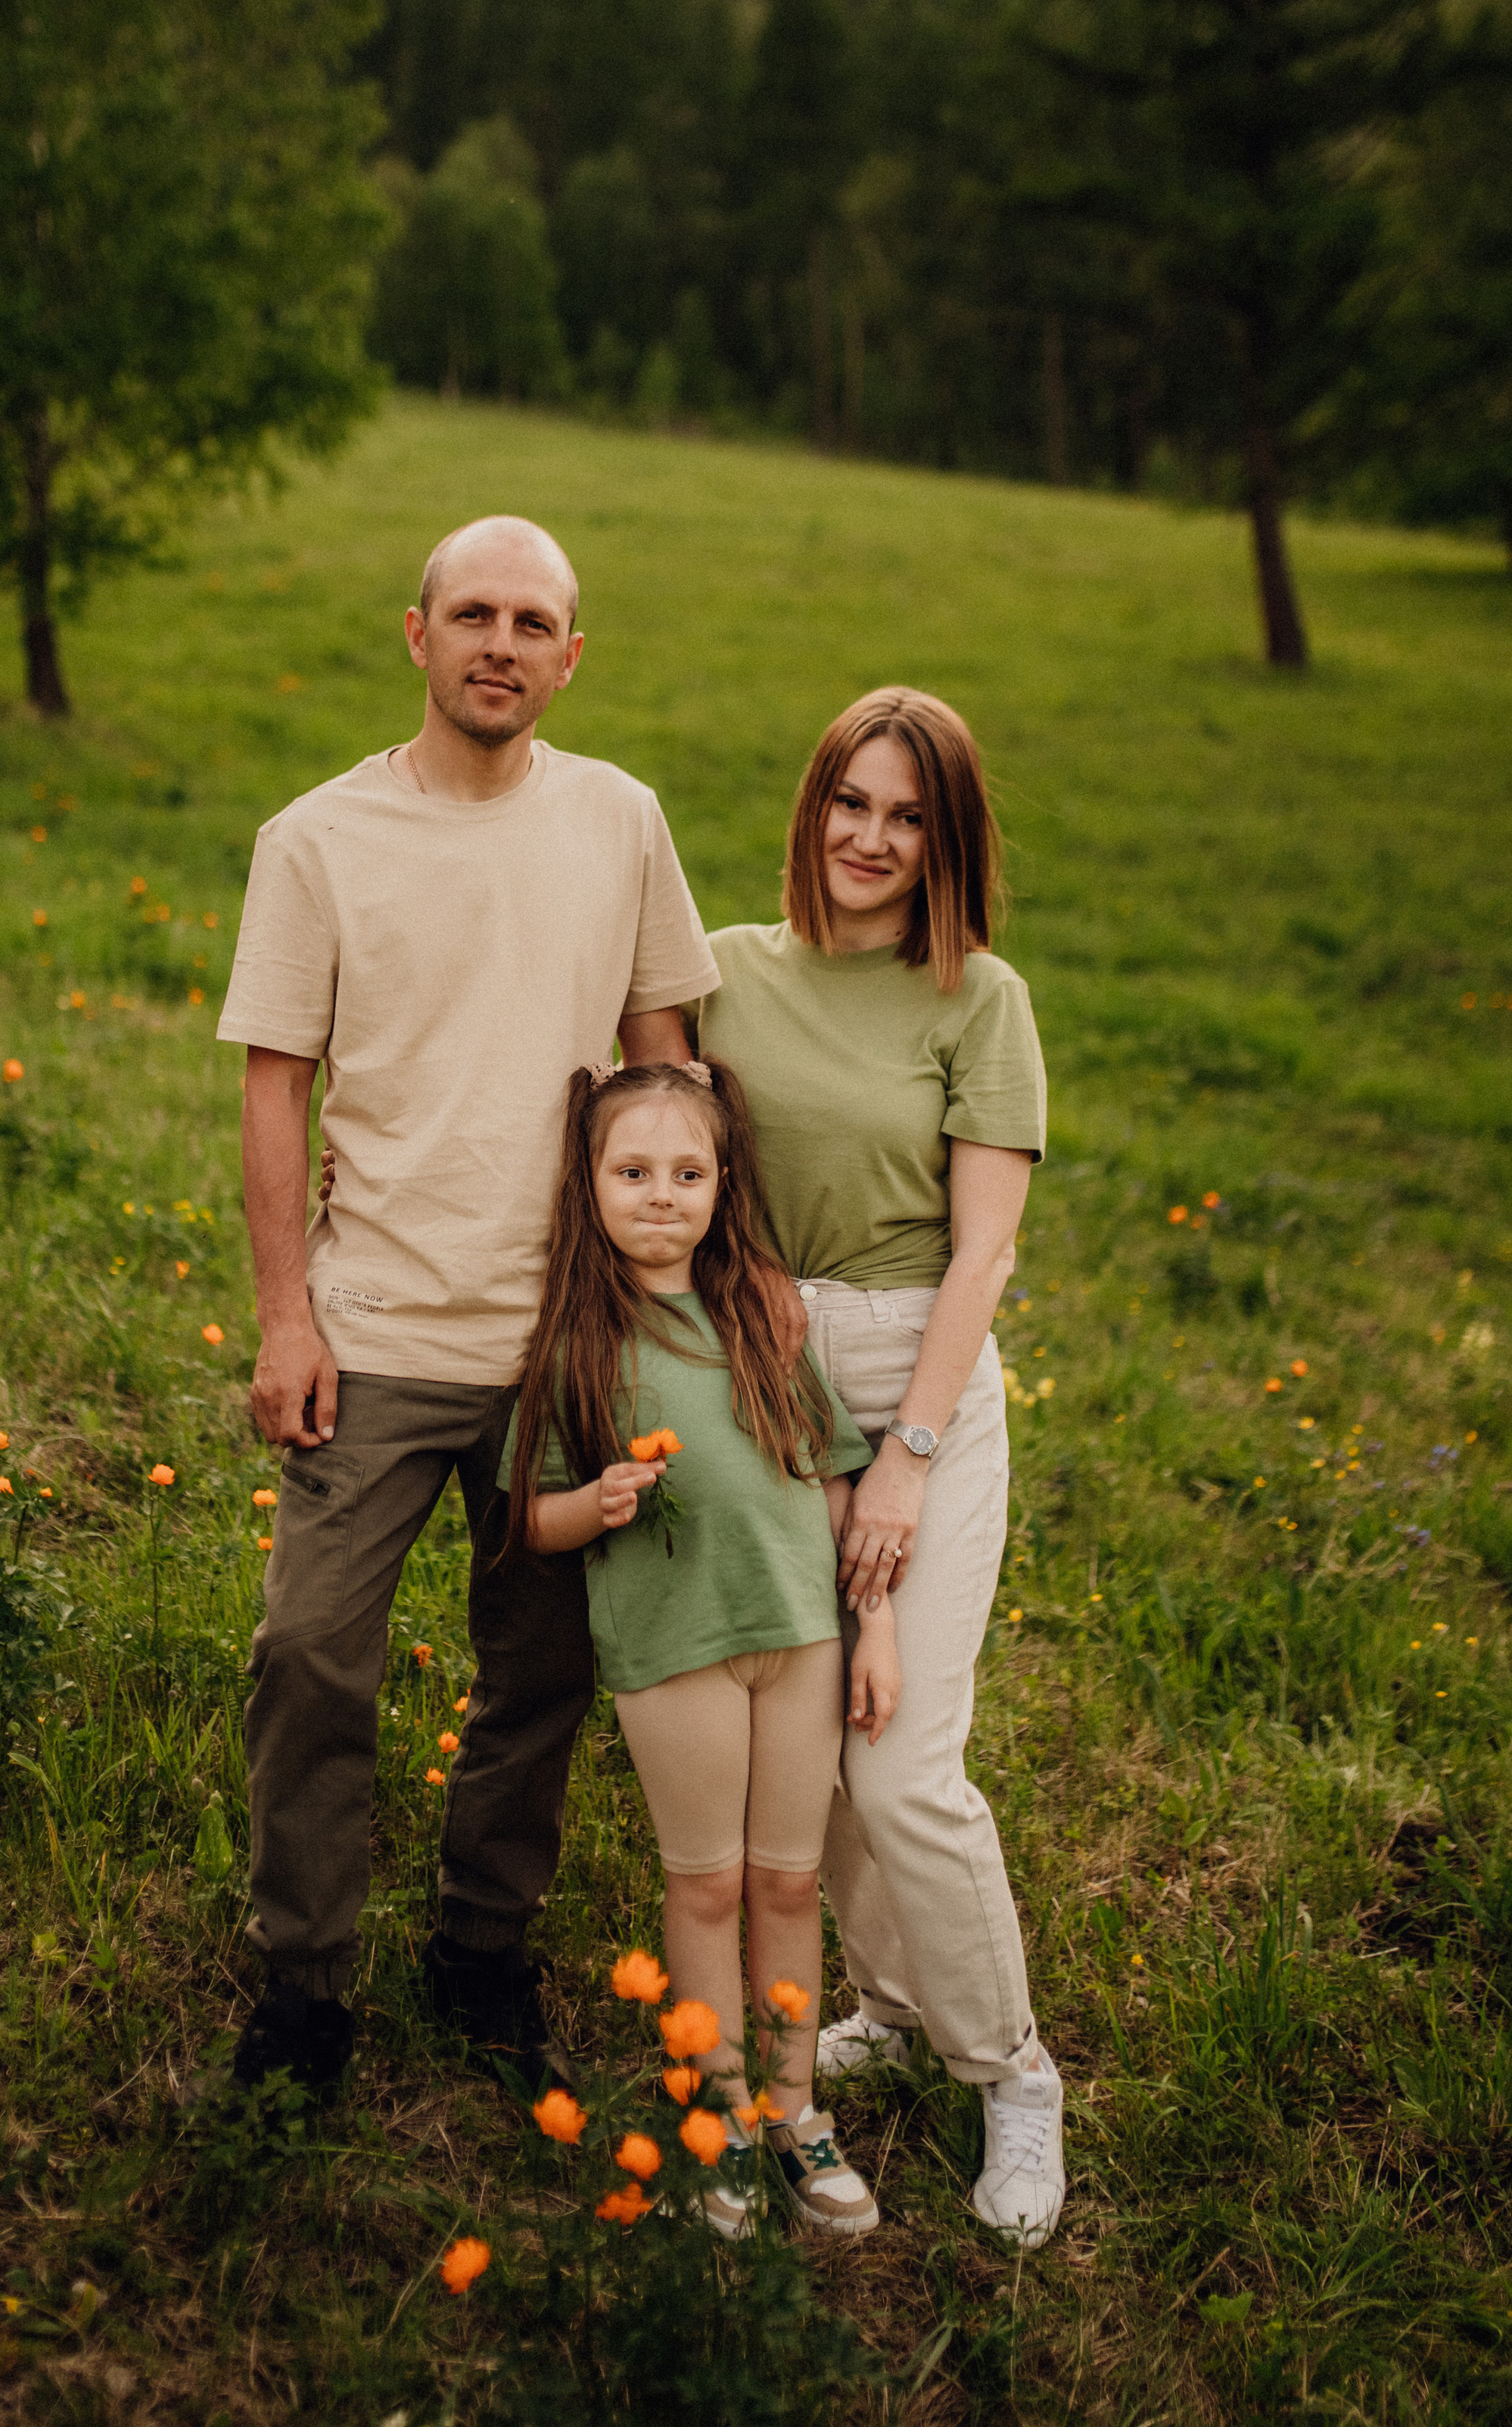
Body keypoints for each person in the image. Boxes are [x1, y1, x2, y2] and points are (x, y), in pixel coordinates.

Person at [217, 513, 721, 2099]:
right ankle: (303, 1990)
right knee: (311, 1660)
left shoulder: (620, 823)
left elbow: (671, 1070)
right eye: (473, 614)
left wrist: (676, 1301)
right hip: (371, 1334)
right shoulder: (316, 840)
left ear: (571, 658)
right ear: (417, 636)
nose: (500, 643)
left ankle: (478, 1953)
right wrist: (287, 1315)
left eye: (533, 622)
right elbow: (273, 1090)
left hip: (562, 1347)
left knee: (542, 1671)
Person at [695, 686, 1066, 2251]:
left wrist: (908, 1458)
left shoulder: (978, 1000)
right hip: (761, 1384)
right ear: (811, 804)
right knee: (807, 1754)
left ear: (945, 840)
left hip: (920, 1379)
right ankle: (894, 2008)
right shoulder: (719, 971)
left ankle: (1014, 2074)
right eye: (849, 801)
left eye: (905, 815)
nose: (868, 837)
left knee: (902, 1765)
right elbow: (662, 1152)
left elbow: (984, 1256)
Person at [504, 1055, 896, 2239]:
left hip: (802, 1635)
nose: (662, 1193)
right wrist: (601, 1502)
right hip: (676, 1646)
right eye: (632, 1170)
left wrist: (870, 1622)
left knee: (787, 1877)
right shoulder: (576, 1337)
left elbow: (832, 1477)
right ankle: (716, 2113)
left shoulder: (764, 1315)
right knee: (708, 1880)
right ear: (589, 1181)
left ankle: (794, 2106)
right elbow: (533, 1514)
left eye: (689, 1170)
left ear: (726, 1184)